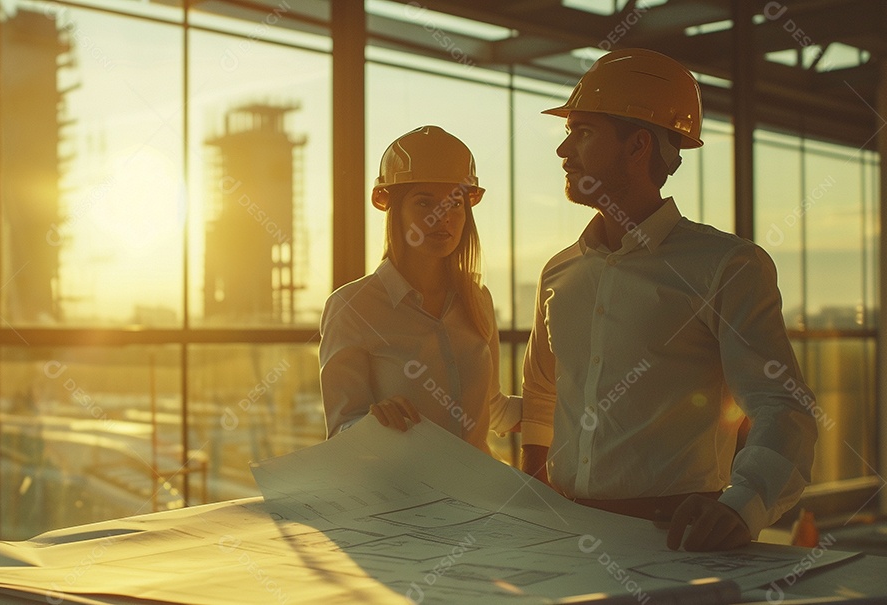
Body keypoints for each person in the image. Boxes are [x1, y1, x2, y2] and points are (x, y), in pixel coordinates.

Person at [519, 48, 817, 551]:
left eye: (583, 132)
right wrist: (532, 498)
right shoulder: (560, 273)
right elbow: (543, 394)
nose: (563, 150)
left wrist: (743, 506)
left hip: (674, 541)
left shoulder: (727, 267)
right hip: (566, 536)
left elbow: (782, 405)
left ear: (637, 146)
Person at [319, 125, 520, 455]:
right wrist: (373, 422)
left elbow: (492, 407)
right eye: (425, 203)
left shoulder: (478, 299)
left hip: (477, 495)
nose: (443, 217)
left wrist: (569, 406)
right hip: (403, 499)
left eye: (455, 203)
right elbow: (342, 430)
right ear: (394, 211)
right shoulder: (351, 307)